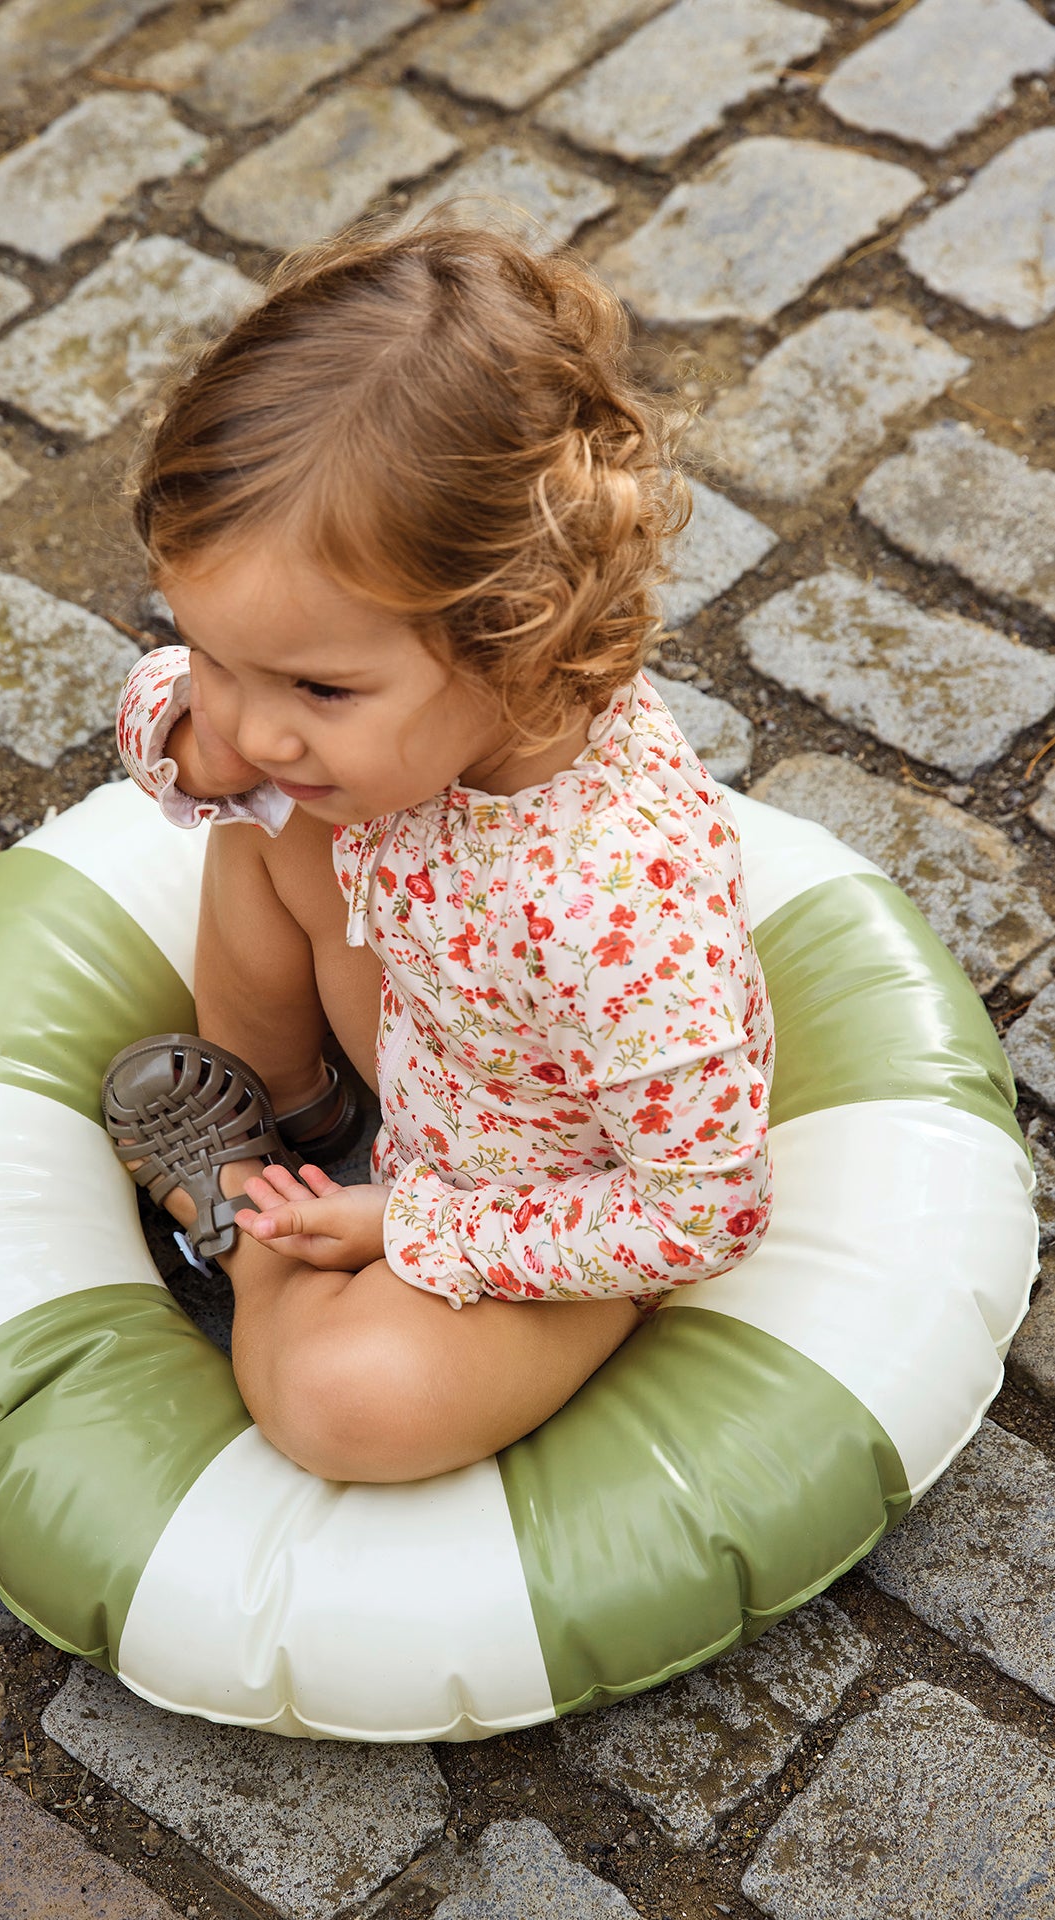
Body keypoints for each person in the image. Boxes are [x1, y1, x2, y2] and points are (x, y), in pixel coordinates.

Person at [107, 220, 774, 1486]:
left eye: (315, 685)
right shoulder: (396, 724)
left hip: (546, 1203)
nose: (252, 722)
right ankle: (293, 1113)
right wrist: (189, 738)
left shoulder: (615, 910)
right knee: (273, 812)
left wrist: (410, 1228)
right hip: (435, 1037)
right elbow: (177, 706)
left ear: (516, 634)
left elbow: (705, 1211)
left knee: (352, 1403)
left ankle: (246, 1237)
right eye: (219, 655)